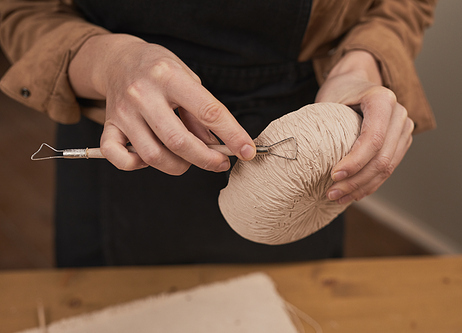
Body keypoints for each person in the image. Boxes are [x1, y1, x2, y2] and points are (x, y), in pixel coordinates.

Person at [0, 0, 437, 267]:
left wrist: (359, 66)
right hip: (130, 123)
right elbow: (20, 9)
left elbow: (400, 5)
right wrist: (107, 63)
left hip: (310, 147)